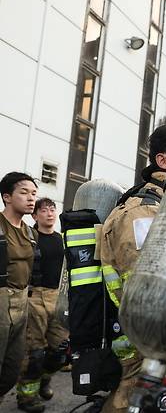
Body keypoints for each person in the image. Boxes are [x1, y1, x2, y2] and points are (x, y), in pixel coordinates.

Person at [100, 121, 166, 412]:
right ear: (163, 160)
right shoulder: (143, 211)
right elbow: (143, 287)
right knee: (132, 402)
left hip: (160, 338)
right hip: (140, 341)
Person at [15, 198, 68, 412]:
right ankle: (26, 397)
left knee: (59, 352)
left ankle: (44, 380)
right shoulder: (29, 237)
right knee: (34, 353)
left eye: (52, 209)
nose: (49, 213)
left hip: (58, 297)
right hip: (34, 296)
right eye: (44, 210)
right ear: (35, 216)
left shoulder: (62, 240)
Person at [0, 173, 39, 400]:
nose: (31, 198)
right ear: (7, 197)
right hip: (2, 297)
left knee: (12, 368)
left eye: (33, 193)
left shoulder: (30, 232)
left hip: (22, 301)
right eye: (24, 192)